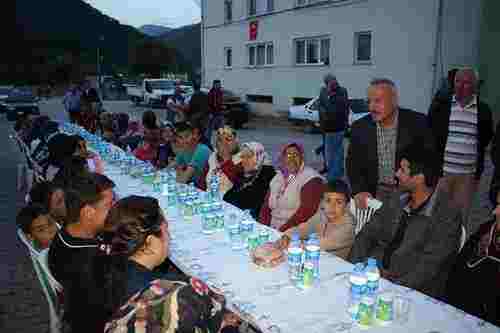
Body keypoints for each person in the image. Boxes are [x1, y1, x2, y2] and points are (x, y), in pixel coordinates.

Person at [100, 195, 239, 333]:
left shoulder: (105, 267)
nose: (169, 237)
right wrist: (226, 327)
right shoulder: (164, 291)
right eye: (166, 230)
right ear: (151, 241)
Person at [349, 144, 462, 299]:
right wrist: (354, 268)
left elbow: (428, 268)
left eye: (402, 170)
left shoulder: (447, 215)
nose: (396, 174)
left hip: (411, 294)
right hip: (374, 277)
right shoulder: (398, 198)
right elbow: (367, 234)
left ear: (419, 178)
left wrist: (391, 289)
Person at [347, 78, 435, 209]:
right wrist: (359, 190)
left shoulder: (418, 123)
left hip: (408, 194)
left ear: (394, 101)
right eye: (369, 101)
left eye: (377, 101)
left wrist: (415, 178)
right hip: (374, 193)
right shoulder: (359, 128)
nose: (371, 107)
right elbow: (353, 164)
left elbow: (431, 160)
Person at [48, 173, 116, 333]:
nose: (115, 209)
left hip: (79, 310)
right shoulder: (90, 260)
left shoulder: (66, 234)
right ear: (88, 213)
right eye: (110, 205)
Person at [428, 68, 494, 226]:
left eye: (466, 82)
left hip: (467, 177)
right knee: (435, 215)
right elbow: (430, 134)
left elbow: (484, 139)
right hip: (442, 174)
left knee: (460, 218)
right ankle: (434, 249)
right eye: (457, 81)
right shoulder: (442, 106)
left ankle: (456, 249)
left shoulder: (483, 110)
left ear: (475, 86)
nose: (460, 86)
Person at [446, 186, 500, 326]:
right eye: (498, 205)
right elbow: (455, 275)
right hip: (461, 317)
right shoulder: (485, 232)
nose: (495, 211)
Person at [275, 179, 354, 259]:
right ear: (322, 202)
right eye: (328, 201)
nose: (332, 206)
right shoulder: (322, 215)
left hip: (335, 266)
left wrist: (296, 243)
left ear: (347, 206)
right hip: (315, 258)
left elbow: (323, 244)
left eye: (339, 202)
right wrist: (287, 236)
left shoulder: (348, 227)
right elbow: (303, 229)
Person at [259, 143, 324, 232]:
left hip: (295, 232)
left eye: (296, 155)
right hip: (272, 229)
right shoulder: (279, 176)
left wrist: (281, 231)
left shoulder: (311, 179)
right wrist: (263, 228)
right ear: (283, 158)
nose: (291, 158)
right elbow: (266, 207)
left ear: (302, 158)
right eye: (288, 154)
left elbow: (305, 213)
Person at [224, 142, 276, 220]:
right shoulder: (244, 174)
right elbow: (226, 197)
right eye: (242, 157)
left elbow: (251, 204)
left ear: (259, 157)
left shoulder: (267, 175)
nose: (244, 161)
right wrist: (236, 158)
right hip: (236, 216)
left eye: (249, 157)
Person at [318, 74, 349, 182]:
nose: (333, 82)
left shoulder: (342, 91)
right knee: (328, 153)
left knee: (337, 153)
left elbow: (343, 108)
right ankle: (332, 172)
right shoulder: (323, 91)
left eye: (334, 80)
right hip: (326, 128)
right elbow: (321, 106)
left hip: (338, 127)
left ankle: (334, 176)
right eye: (330, 81)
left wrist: (331, 94)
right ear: (326, 83)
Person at [198, 126, 241, 194]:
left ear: (235, 142)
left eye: (228, 139)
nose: (224, 143)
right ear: (216, 143)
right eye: (220, 140)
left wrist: (226, 159)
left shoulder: (240, 160)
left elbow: (237, 185)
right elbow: (201, 183)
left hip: (228, 201)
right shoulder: (212, 157)